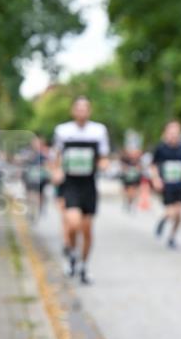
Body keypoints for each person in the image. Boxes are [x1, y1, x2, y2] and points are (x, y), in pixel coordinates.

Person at [51, 97, 111, 285]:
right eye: (78, 108)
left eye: (85, 108)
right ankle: (71, 252)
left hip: (89, 185)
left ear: (89, 111)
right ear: (73, 111)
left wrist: (103, 165)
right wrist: (57, 171)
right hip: (70, 184)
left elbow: (103, 157)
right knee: (73, 223)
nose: (82, 111)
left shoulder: (98, 131)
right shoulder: (63, 131)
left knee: (87, 230)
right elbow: (57, 157)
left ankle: (84, 265)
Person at [150, 120, 181, 249]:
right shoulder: (160, 148)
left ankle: (172, 237)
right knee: (171, 211)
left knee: (179, 214)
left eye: (176, 133)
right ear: (165, 133)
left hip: (180, 184)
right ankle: (163, 220)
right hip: (166, 185)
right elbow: (154, 165)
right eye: (171, 133)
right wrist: (156, 179)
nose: (173, 136)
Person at [119, 145, 143, 213]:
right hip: (127, 177)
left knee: (134, 191)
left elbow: (140, 168)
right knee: (127, 191)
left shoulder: (139, 160)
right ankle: (127, 202)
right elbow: (123, 167)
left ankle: (132, 203)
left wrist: (138, 169)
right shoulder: (125, 159)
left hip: (135, 177)